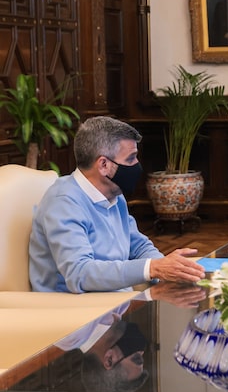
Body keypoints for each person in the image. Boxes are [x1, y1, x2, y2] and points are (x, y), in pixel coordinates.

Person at [28, 116, 206, 293]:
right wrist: (152, 268)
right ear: (104, 164)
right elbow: (79, 274)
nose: (137, 165)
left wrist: (167, 269)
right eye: (130, 159)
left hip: (114, 301)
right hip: (73, 309)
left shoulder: (114, 194)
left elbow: (137, 246)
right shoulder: (64, 203)